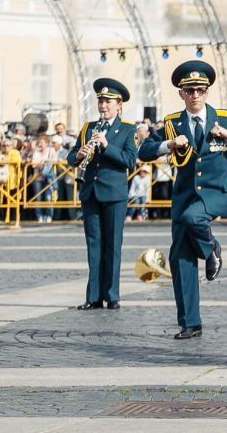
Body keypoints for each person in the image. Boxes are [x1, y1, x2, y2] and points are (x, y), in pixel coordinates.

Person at [138, 60, 227, 339]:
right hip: (184, 197)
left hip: (216, 193)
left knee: (193, 218)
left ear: (207, 92)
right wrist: (168, 144)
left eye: (201, 90)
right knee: (180, 257)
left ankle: (211, 248)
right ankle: (190, 323)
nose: (195, 95)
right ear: (181, 93)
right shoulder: (172, 123)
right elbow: (144, 151)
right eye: (190, 90)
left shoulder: (225, 118)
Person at [66, 78, 139, 310]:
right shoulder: (88, 128)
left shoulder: (128, 128)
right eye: (100, 100)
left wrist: (107, 146)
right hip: (91, 192)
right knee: (94, 245)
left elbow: (129, 160)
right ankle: (94, 296)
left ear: (119, 104)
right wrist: (79, 155)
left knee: (113, 245)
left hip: (114, 194)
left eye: (107, 101)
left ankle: (112, 295)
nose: (103, 105)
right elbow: (71, 157)